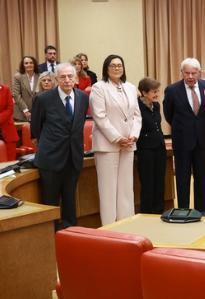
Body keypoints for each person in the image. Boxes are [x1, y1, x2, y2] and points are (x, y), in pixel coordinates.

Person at [30, 63, 88, 229]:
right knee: (51, 203)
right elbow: (36, 127)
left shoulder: (83, 97)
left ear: (75, 78)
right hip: (50, 158)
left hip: (73, 157)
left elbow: (78, 124)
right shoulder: (43, 99)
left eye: (70, 76)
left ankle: (71, 233)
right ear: (56, 79)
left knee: (70, 200)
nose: (67, 80)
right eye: (62, 77)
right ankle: (52, 235)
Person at [90, 55, 141, 226]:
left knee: (126, 187)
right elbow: (100, 117)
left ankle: (127, 224)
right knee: (108, 189)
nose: (117, 68)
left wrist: (133, 135)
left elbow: (136, 116)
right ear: (106, 68)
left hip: (128, 143)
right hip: (108, 144)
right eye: (113, 65)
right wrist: (118, 138)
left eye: (119, 65)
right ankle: (110, 227)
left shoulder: (130, 87)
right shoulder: (99, 88)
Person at [163, 58, 205, 215]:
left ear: (199, 73)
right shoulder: (172, 90)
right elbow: (168, 114)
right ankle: (184, 210)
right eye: (187, 73)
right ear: (181, 73)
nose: (190, 76)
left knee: (201, 177)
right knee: (183, 178)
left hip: (202, 139)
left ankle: (201, 210)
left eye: (194, 73)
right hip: (182, 139)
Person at [136, 77, 166, 215]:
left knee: (160, 181)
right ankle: (146, 213)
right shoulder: (137, 107)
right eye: (154, 92)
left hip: (159, 147)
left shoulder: (157, 105)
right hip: (145, 148)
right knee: (147, 183)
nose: (157, 94)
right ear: (144, 93)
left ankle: (159, 211)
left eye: (158, 91)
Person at [11, 55, 40, 122]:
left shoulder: (40, 76)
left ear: (34, 64)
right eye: (26, 63)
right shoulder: (18, 77)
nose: (29, 65)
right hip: (21, 113)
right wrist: (25, 110)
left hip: (38, 112)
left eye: (31, 63)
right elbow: (16, 94)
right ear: (23, 65)